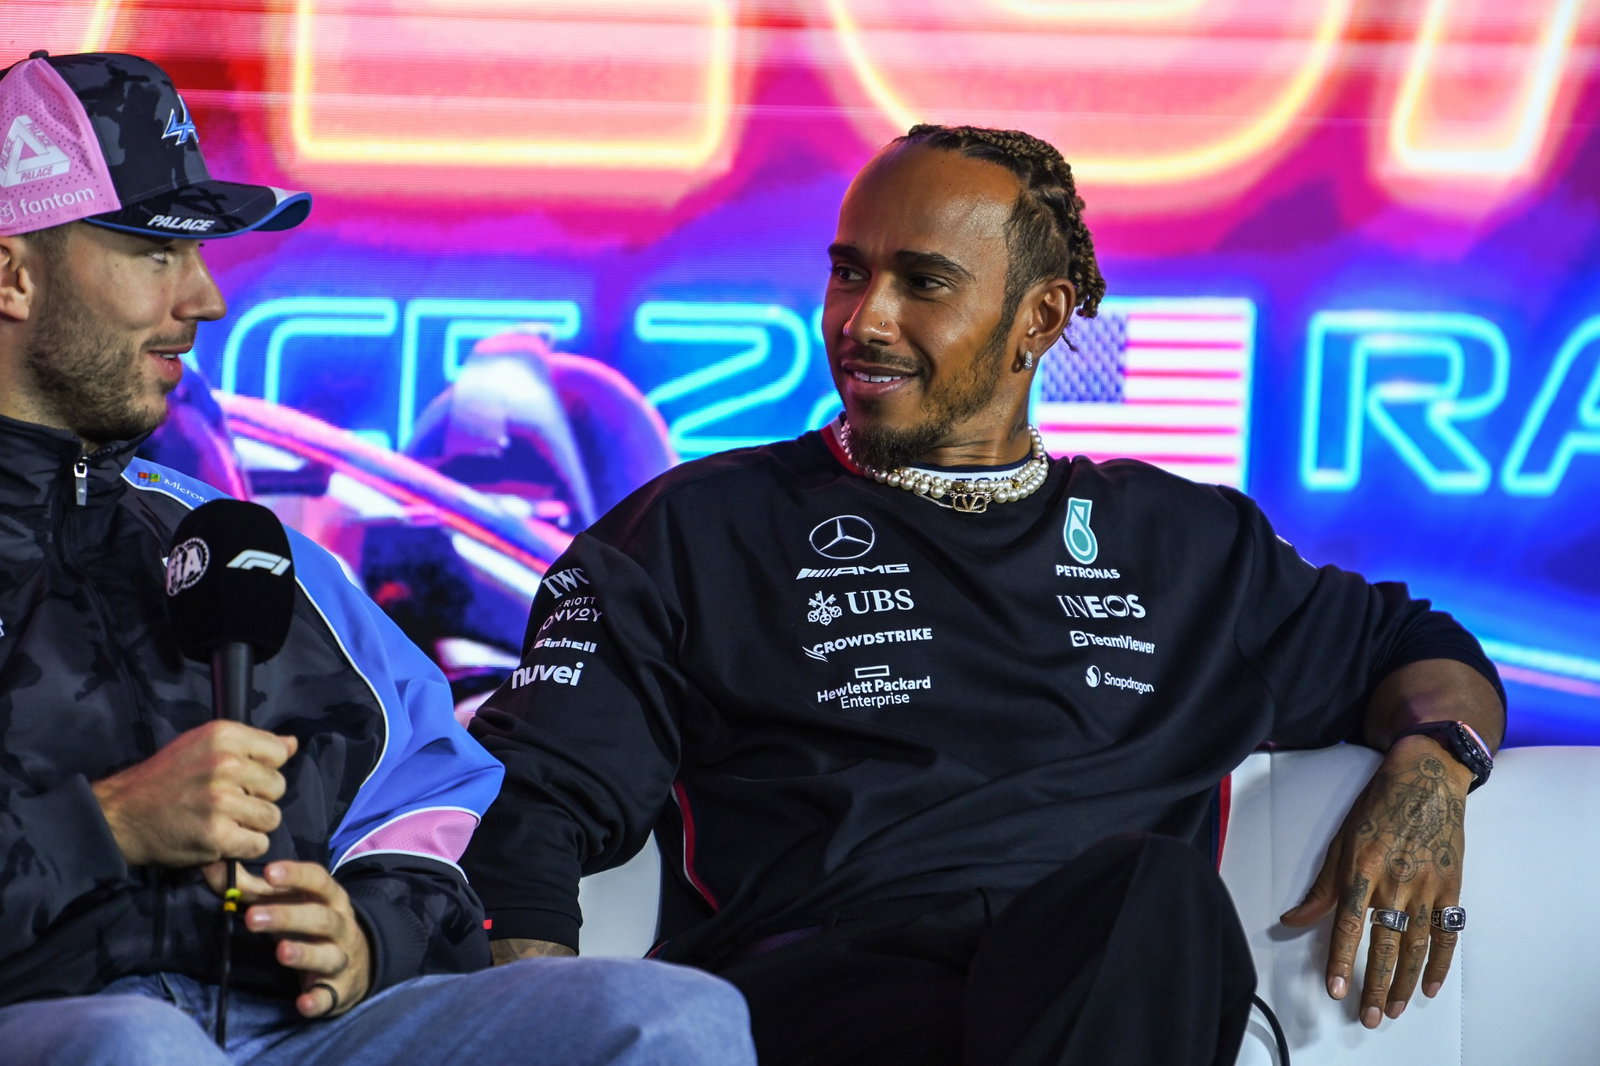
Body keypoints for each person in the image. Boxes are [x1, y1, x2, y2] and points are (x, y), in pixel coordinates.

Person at [463, 124, 1505, 1065]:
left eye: (921, 283)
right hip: (830, 1004)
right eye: (847, 272)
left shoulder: (1186, 545)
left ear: (1036, 318)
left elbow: (1417, 648)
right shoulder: (696, 528)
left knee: (1151, 893)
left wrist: (1433, 771)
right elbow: (530, 810)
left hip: (1106, 990)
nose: (862, 319)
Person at [0, 50, 755, 1066]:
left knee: (672, 1016)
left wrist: (366, 933)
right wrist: (110, 823)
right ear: (12, 273)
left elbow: (434, 801)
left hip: (298, 1033)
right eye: (155, 251)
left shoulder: (244, 553)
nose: (205, 297)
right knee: (137, 1042)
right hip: (59, 1027)